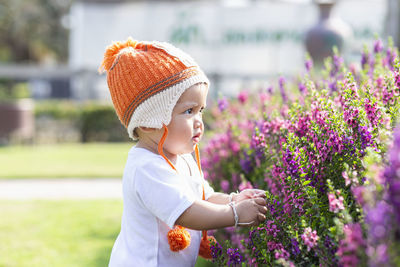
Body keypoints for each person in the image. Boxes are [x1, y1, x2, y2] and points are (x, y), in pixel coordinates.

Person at [99, 37, 268, 267]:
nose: (199, 121)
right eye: (189, 111)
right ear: (150, 122)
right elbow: (187, 212)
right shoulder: (146, 167)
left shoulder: (183, 159)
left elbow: (203, 199)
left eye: (201, 111)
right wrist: (235, 213)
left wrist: (232, 199)